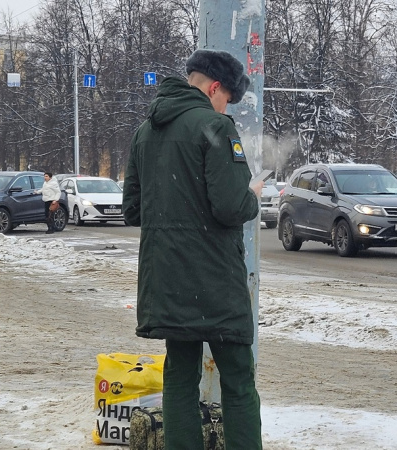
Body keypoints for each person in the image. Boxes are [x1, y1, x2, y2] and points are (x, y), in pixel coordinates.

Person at [122, 50, 263, 450]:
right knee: (238, 379)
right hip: (215, 279)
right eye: (227, 99)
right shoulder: (215, 126)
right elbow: (232, 206)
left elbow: (132, 208)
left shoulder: (145, 131)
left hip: (167, 278)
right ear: (215, 88)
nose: (226, 107)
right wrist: (250, 195)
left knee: (180, 378)